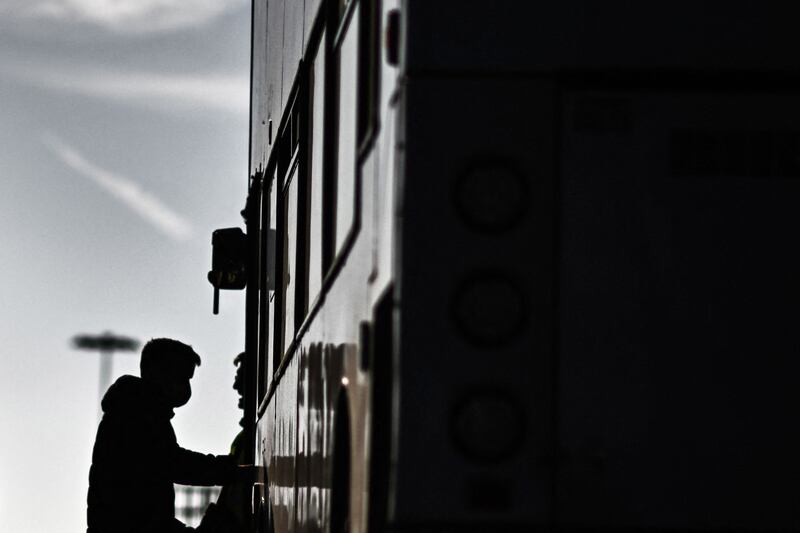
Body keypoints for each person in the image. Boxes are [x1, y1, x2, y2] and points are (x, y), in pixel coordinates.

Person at [87, 338, 241, 533]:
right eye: (182, 377)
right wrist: (229, 470)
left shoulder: (135, 409)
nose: (186, 387)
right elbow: (172, 463)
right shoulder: (135, 414)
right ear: (159, 373)